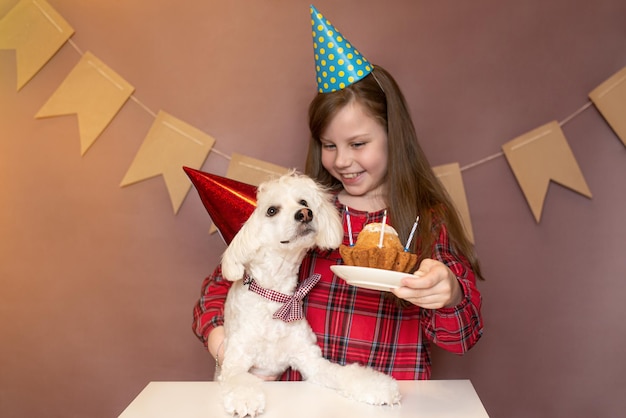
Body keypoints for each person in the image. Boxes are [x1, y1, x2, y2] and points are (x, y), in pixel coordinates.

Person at [192, 5, 483, 381]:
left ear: (395, 136)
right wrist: (227, 349)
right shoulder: (301, 214)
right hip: (300, 402)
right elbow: (217, 293)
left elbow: (461, 337)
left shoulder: (423, 221)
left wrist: (450, 294)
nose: (343, 161)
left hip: (391, 399)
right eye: (329, 146)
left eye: (358, 143)